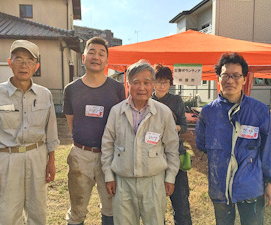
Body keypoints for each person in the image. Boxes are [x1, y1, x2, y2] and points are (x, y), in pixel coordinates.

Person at [0, 40, 59, 225]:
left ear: (36, 66)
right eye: (18, 59)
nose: (24, 65)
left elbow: (51, 130)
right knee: (8, 213)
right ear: (9, 62)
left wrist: (51, 161)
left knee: (38, 211)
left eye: (29, 60)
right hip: (7, 159)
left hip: (37, 156)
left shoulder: (45, 95)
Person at [195, 52, 271, 225]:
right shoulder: (208, 113)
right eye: (225, 75)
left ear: (244, 79)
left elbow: (269, 148)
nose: (230, 80)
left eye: (236, 76)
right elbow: (202, 143)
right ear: (218, 78)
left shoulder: (258, 111)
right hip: (219, 185)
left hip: (251, 187)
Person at [101, 62, 180, 225]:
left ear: (153, 85)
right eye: (136, 82)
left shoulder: (163, 112)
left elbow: (172, 148)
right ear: (128, 84)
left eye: (147, 82)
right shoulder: (117, 111)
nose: (142, 87)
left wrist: (170, 177)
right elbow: (107, 145)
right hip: (122, 182)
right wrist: (109, 175)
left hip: (154, 182)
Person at [63, 36, 125, 225]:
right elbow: (71, 122)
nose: (96, 57)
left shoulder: (117, 88)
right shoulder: (71, 89)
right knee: (77, 208)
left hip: (110, 156)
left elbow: (121, 121)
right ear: (83, 58)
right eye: (91, 52)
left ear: (107, 61)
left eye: (101, 54)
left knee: (111, 207)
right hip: (81, 155)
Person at [151, 64, 192, 225]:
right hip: (153, 158)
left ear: (170, 83)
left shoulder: (176, 100)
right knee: (155, 206)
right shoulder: (147, 100)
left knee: (181, 205)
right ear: (153, 82)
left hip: (176, 156)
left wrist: (171, 127)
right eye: (159, 81)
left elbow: (184, 126)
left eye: (166, 82)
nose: (162, 85)